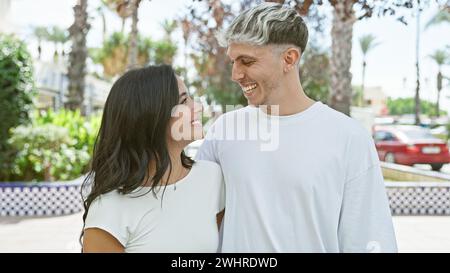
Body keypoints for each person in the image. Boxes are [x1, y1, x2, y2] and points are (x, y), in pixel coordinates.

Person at [196, 2, 397, 253]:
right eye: (234, 61)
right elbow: (195, 213)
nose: (236, 74)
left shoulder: (349, 138)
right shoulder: (224, 129)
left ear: (289, 59)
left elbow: (368, 238)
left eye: (246, 61)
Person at [81, 65, 224, 253]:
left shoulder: (211, 177)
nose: (197, 107)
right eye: (183, 101)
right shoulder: (109, 209)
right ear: (151, 117)